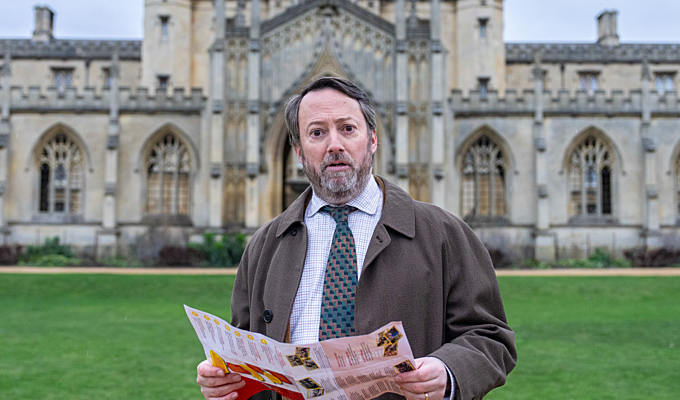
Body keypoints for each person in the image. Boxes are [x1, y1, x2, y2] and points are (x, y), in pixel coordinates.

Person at [196, 76, 516, 400]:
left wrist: (448, 371)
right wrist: (228, 384)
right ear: (298, 151)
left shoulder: (443, 234)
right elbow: (248, 359)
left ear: (373, 139)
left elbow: (490, 337)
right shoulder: (265, 247)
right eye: (317, 132)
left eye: (348, 129)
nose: (334, 144)